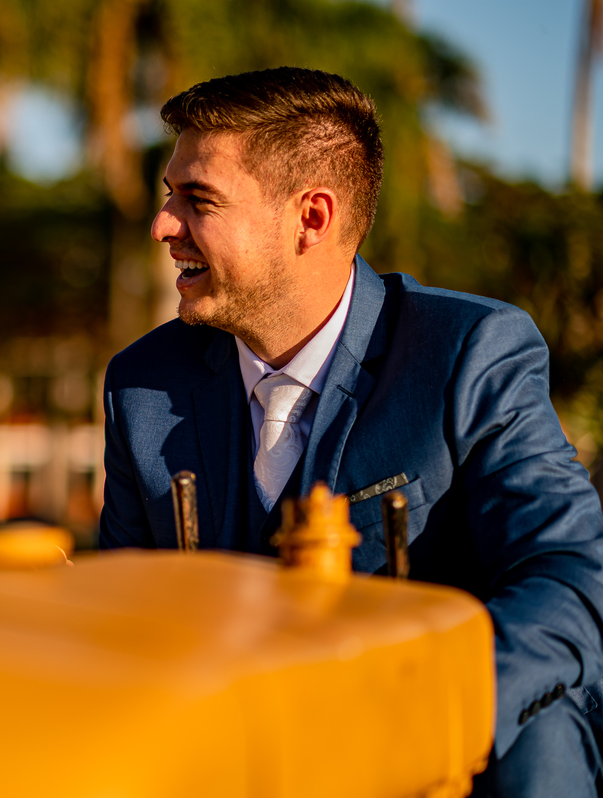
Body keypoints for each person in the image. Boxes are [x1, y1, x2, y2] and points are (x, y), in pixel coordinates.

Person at [100, 67, 603, 796]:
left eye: (197, 199)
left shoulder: (469, 351)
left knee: (544, 731)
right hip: (226, 762)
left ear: (313, 217)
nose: (162, 224)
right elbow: (122, 614)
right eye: (168, 195)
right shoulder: (140, 385)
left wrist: (434, 716)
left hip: (442, 761)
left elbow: (568, 573)